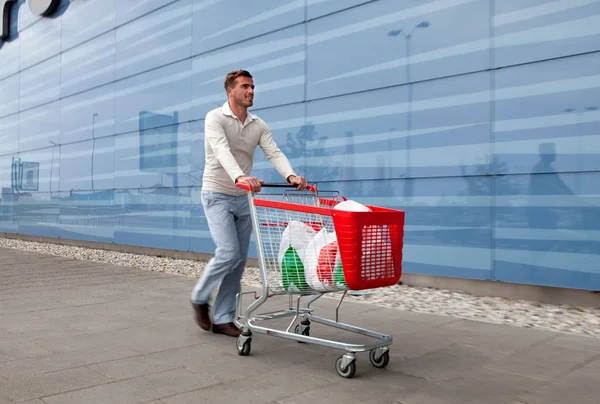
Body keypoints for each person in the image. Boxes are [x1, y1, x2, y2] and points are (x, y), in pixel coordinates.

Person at [191, 69, 307, 337]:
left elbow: (273, 152)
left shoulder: (258, 125)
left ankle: (222, 318)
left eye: (253, 86)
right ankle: (199, 296)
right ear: (230, 90)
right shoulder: (215, 118)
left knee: (239, 261)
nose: (251, 91)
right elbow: (221, 151)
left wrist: (290, 175)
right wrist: (240, 176)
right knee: (228, 252)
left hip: (244, 199)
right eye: (245, 86)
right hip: (217, 194)